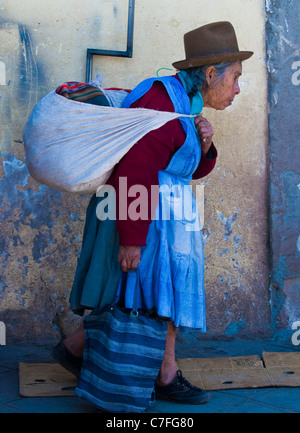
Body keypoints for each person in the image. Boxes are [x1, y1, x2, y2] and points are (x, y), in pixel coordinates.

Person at [52, 21, 253, 405]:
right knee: (149, 291)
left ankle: (81, 349)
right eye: (236, 78)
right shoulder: (162, 102)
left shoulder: (186, 104)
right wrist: (131, 239)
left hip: (161, 215)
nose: (238, 89)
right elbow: (136, 169)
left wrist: (206, 145)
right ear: (211, 74)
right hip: (143, 213)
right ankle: (161, 373)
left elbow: (185, 168)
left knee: (149, 291)